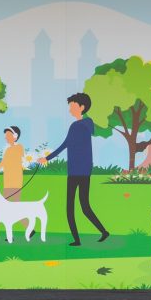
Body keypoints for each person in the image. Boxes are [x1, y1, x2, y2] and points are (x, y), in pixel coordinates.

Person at [42, 92, 109, 247]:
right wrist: (47, 158)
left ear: (81, 107)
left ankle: (92, 235)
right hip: (78, 171)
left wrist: (47, 158)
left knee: (78, 207)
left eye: (72, 106)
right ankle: (87, 236)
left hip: (79, 171)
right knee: (78, 206)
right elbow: (67, 144)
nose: (70, 109)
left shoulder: (82, 124)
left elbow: (66, 143)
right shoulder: (82, 125)